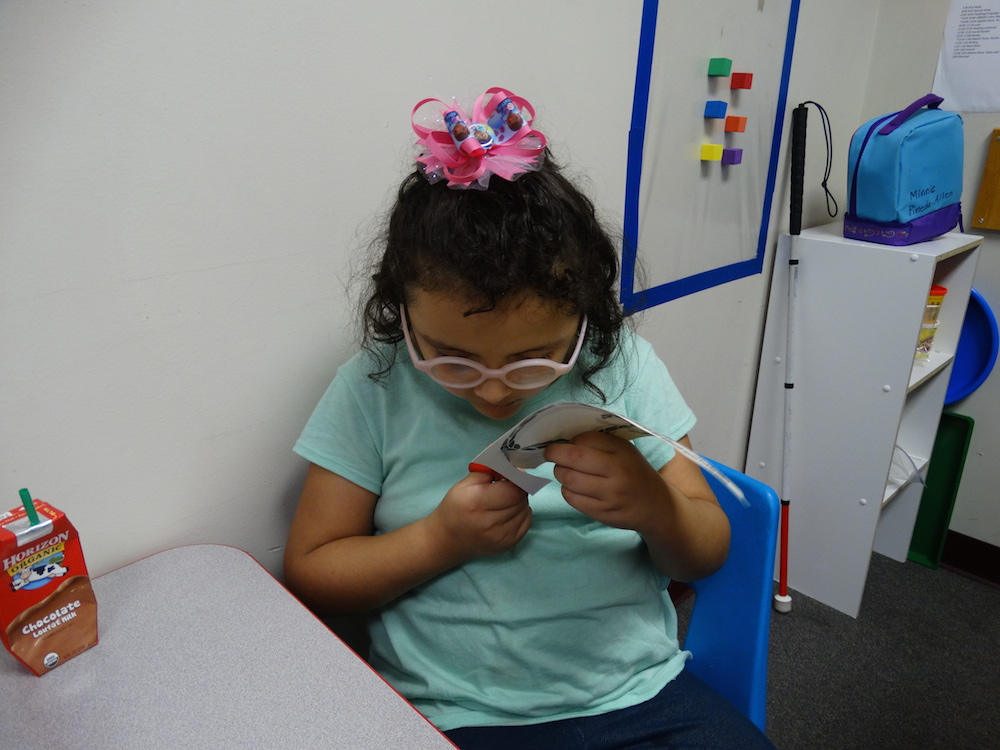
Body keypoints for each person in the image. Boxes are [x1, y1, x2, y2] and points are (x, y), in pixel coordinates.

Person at [284, 88, 776, 749]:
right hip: (456, 712)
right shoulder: (374, 386)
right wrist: (439, 540)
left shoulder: (620, 365)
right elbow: (313, 571)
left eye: (535, 360)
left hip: (639, 692)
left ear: (584, 314)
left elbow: (709, 549)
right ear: (400, 313)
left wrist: (654, 504)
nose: (493, 393)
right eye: (453, 360)